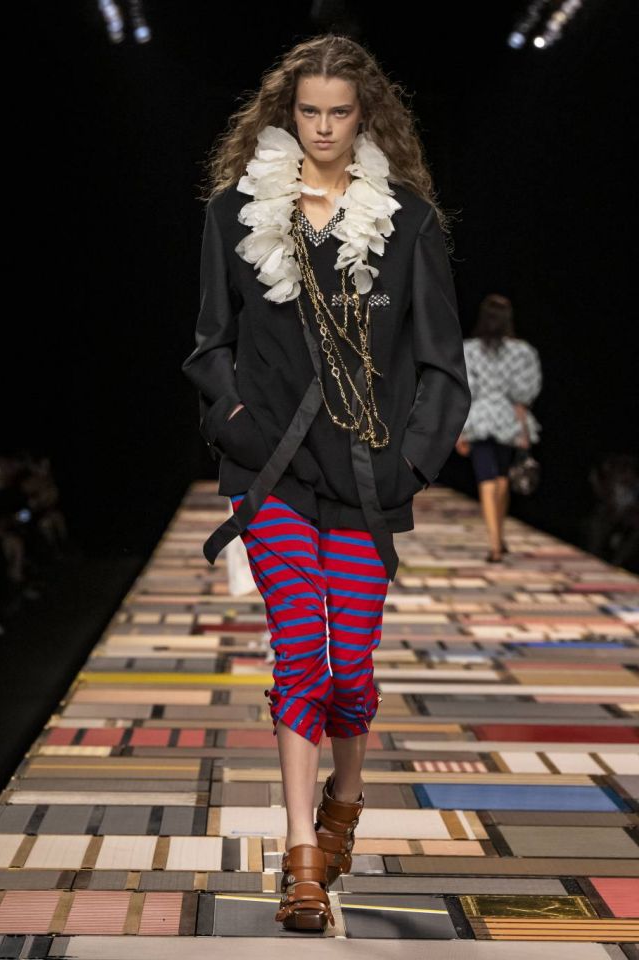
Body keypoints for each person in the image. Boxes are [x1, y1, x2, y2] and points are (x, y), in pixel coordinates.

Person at [182, 33, 471, 931]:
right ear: (287, 112)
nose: (322, 128)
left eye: (339, 113)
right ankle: (301, 855)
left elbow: (443, 365)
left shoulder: (407, 222)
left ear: (364, 116)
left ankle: (345, 800)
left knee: (352, 667)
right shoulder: (234, 214)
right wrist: (236, 421)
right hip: (268, 472)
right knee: (301, 650)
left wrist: (412, 463)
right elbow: (209, 345)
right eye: (308, 111)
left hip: (366, 480)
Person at [455, 294, 542, 562]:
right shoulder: (522, 351)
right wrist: (523, 428)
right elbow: (526, 391)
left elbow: (463, 389)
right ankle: (498, 538)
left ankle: (495, 543)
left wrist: (459, 430)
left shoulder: (469, 350)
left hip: (478, 417)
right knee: (502, 476)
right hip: (508, 418)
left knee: (487, 477)